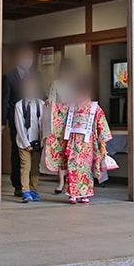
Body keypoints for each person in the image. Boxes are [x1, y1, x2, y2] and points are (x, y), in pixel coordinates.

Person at [45, 78, 111, 204]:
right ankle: (73, 193)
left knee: (85, 167)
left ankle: (85, 193)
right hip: (73, 141)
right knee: (73, 166)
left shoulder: (94, 107)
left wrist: (102, 138)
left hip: (87, 142)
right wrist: (52, 105)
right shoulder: (71, 105)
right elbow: (59, 111)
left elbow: (101, 122)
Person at [3, 44, 38, 197]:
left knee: (35, 154)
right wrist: (2, 121)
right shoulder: (9, 77)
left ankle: (31, 185)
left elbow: (41, 95)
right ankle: (18, 184)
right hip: (16, 119)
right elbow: (4, 100)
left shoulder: (35, 74)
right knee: (18, 152)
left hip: (35, 121)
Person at [47, 58, 77, 194]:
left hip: (72, 121)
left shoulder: (75, 85)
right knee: (60, 152)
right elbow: (51, 100)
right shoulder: (55, 84)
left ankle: (71, 181)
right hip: (59, 122)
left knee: (71, 151)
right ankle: (60, 181)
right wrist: (51, 103)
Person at [14, 74, 45, 203]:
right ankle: (25, 191)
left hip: (37, 141)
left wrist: (43, 140)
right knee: (25, 167)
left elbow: (43, 124)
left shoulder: (41, 104)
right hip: (23, 142)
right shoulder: (19, 105)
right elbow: (19, 126)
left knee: (35, 168)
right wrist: (26, 143)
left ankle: (34, 189)